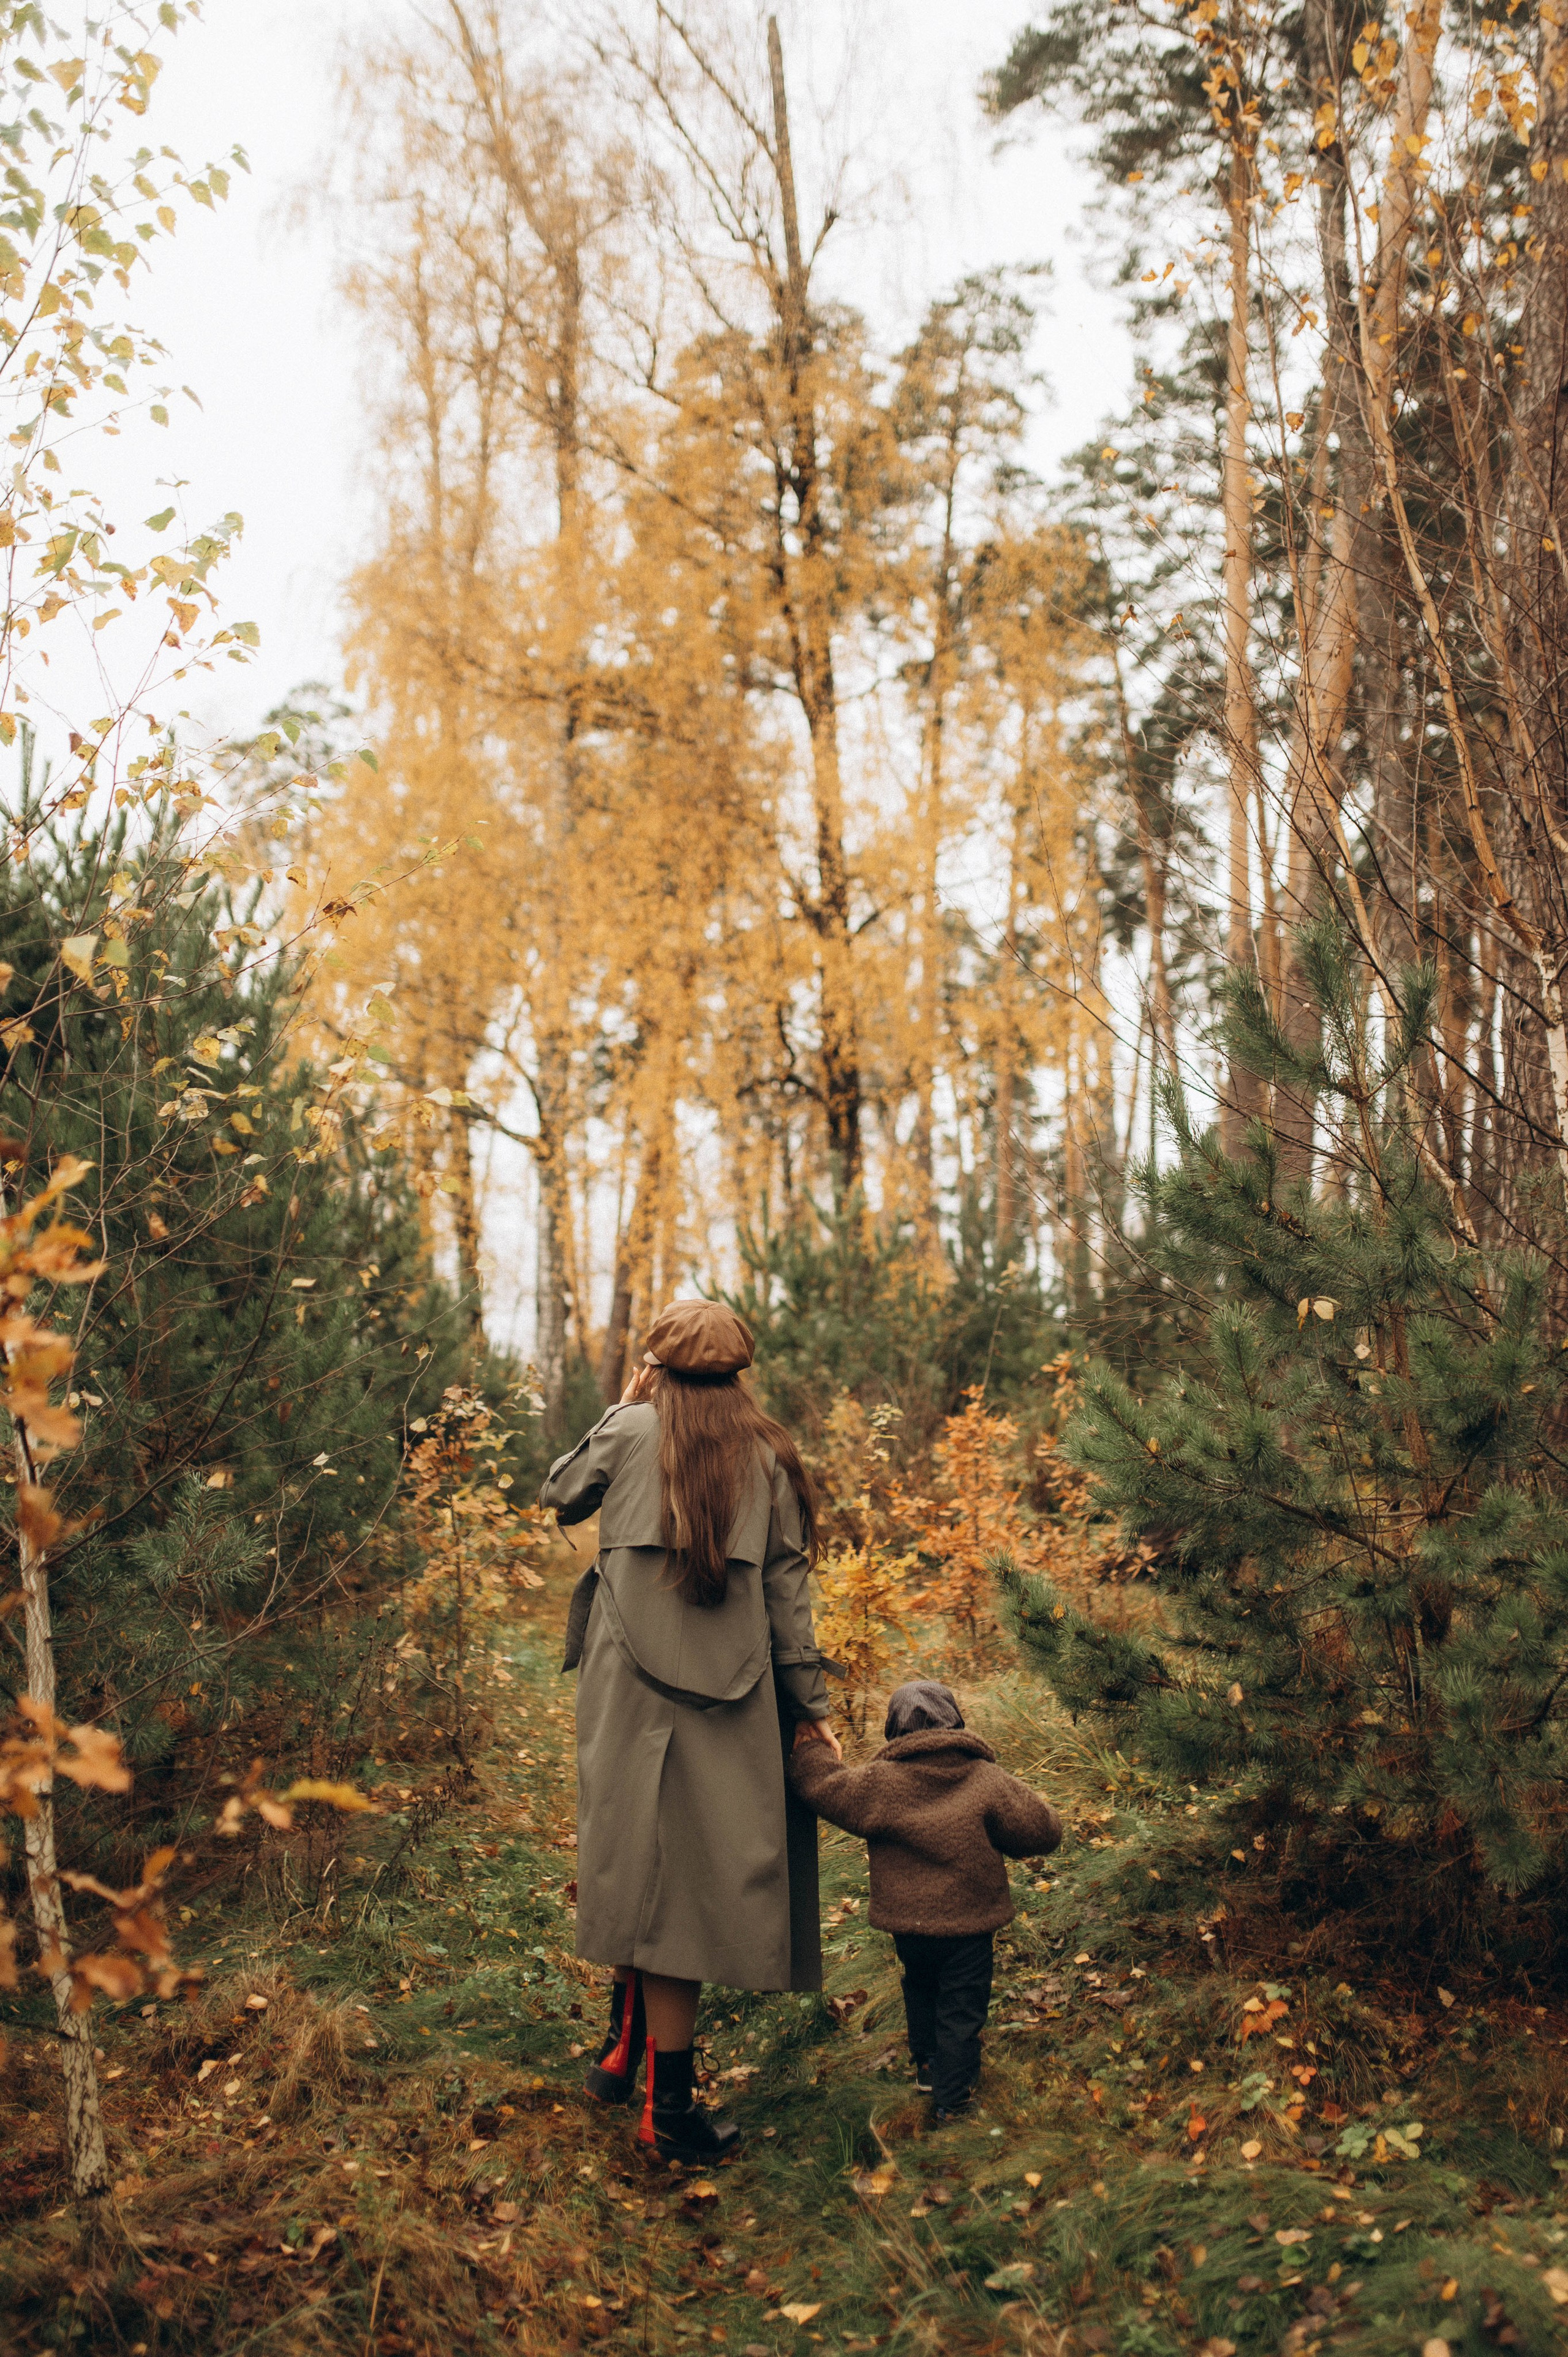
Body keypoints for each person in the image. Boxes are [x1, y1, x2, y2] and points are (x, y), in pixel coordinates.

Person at [539, 1298, 842, 2163]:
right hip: (734, 1693)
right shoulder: (771, 1450)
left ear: (657, 1366)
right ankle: (654, 2092)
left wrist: (621, 1404)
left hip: (624, 1685)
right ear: (739, 1371)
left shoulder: (631, 1426)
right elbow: (789, 1594)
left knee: (638, 1854)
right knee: (691, 1879)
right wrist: (812, 1711)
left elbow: (559, 1493)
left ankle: (634, 2071)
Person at [788, 1677, 1061, 2122]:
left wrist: (808, 1745)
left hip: (909, 1926)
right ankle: (953, 2103)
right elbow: (1041, 1830)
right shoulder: (985, 1779)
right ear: (956, 1722)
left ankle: (931, 2068)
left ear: (894, 1731)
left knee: (921, 1987)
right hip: (970, 1925)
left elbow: (825, 1787)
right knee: (961, 2007)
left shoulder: (880, 1783)